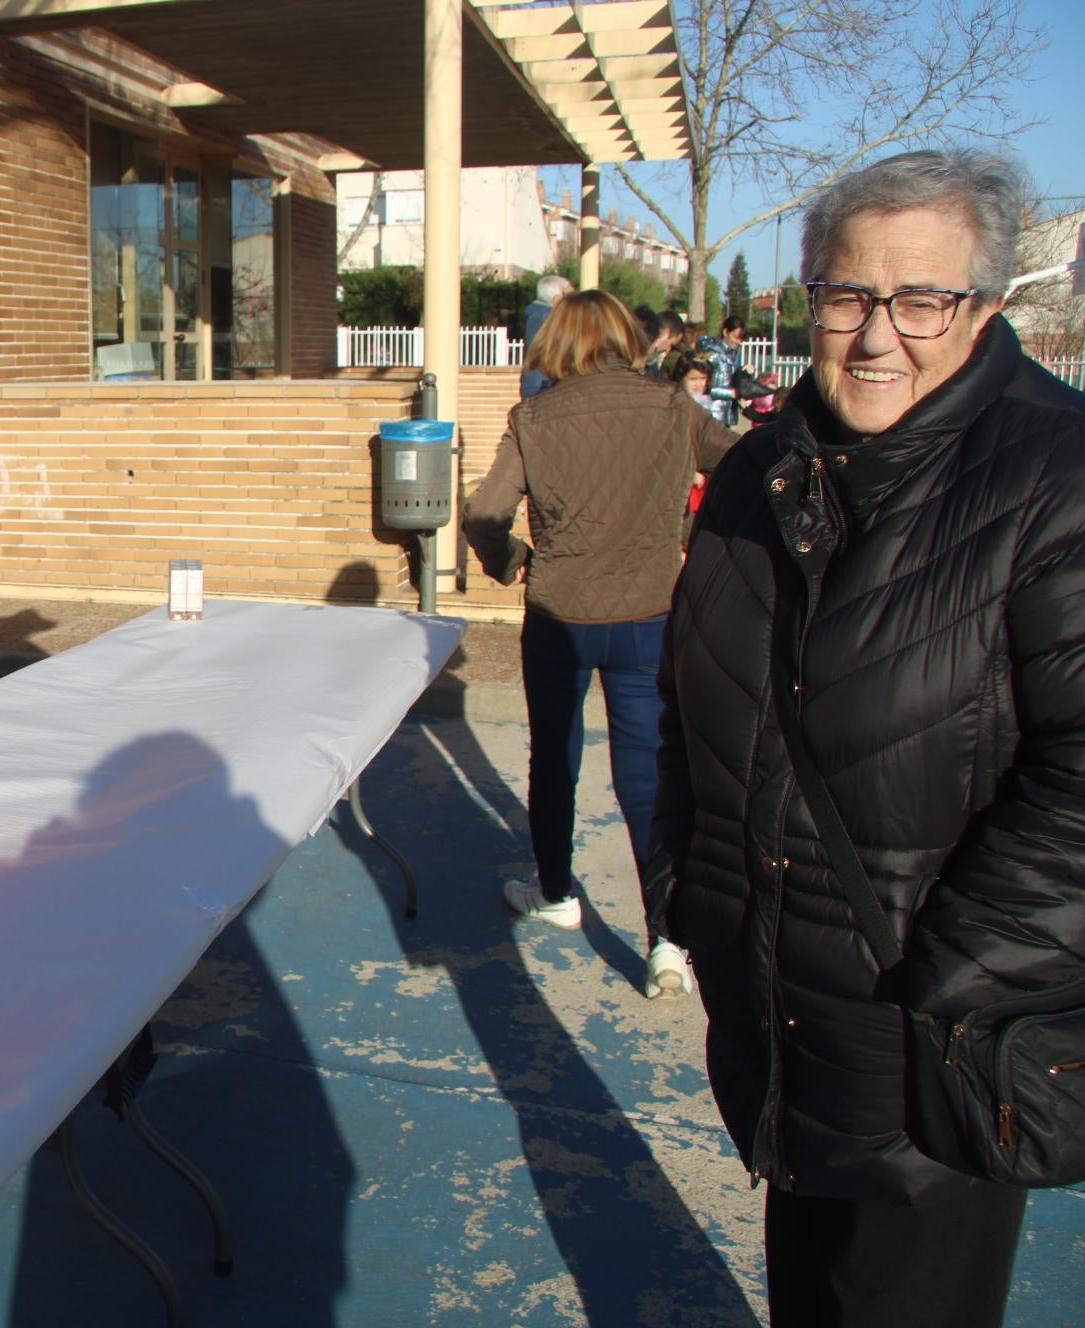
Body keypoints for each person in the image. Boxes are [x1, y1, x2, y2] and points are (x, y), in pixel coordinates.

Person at [647, 149, 1085, 1326]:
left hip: (935, 1054)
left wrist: (948, 981)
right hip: (780, 1021)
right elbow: (687, 699)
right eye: (847, 296)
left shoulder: (1058, 473)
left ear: (988, 307)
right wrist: (692, 887)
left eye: (922, 300)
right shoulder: (759, 471)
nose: (878, 335)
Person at [462, 291, 736, 998]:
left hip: (560, 614)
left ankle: (555, 891)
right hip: (649, 612)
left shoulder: (534, 418)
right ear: (626, 336)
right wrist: (686, 540)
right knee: (646, 772)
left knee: (554, 757)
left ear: (556, 342)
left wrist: (510, 559)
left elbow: (485, 512)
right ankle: (668, 939)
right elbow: (742, 471)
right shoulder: (675, 407)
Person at [518, 273, 574, 399]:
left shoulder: (537, 316)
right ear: (557, 299)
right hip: (544, 387)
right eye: (570, 296)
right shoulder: (545, 319)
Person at [696, 315, 748, 424]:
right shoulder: (708, 352)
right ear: (725, 332)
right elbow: (701, 386)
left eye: (741, 339)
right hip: (711, 413)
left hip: (728, 415)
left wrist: (748, 375)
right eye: (735, 337)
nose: (739, 342)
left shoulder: (737, 355)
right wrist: (732, 393)